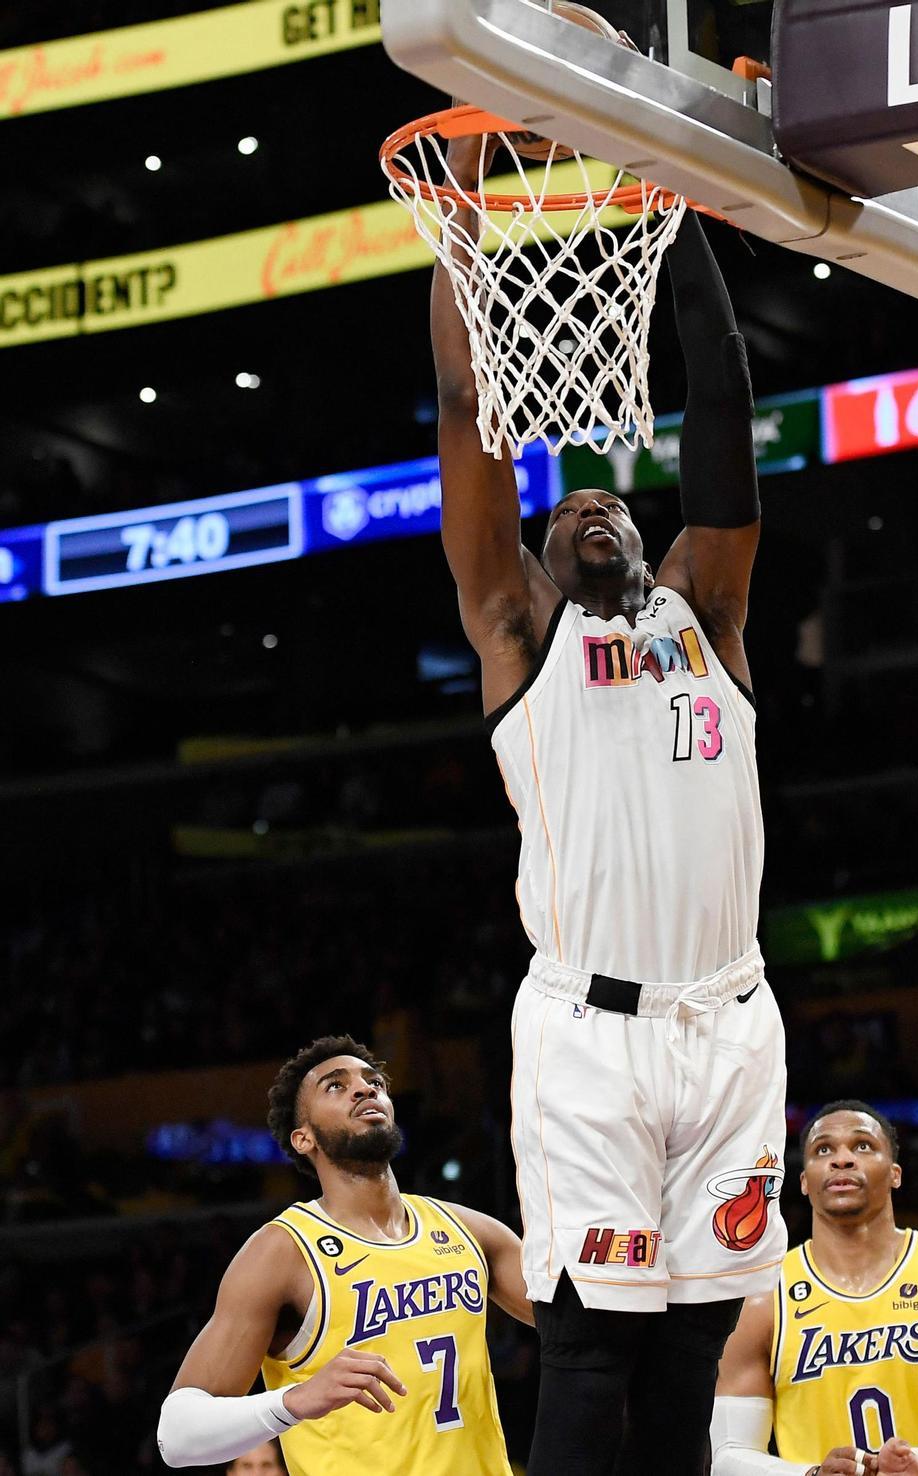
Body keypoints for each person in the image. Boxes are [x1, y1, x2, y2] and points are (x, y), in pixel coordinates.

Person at [432, 118, 785, 1476]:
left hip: (732, 1016)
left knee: (712, 1333)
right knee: (588, 1340)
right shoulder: (519, 640)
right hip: (587, 1030)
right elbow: (470, 416)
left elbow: (718, 413)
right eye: (564, 507)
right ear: (528, 560)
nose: (591, 512)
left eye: (611, 505)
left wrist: (682, 204)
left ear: (654, 537)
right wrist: (462, 228)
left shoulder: (710, 610)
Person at [157, 1034, 532, 1474]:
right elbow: (176, 1437)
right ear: (303, 1138)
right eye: (336, 1085)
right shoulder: (282, 1252)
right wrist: (293, 1401)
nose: (365, 1088)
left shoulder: (468, 1230)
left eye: (374, 1081)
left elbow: (584, 1320)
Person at [710, 1101, 918, 1476]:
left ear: (895, 1174)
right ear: (804, 1181)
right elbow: (730, 1455)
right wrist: (813, 1475)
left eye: (863, 1146)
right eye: (824, 1150)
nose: (842, 1160)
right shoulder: (760, 1297)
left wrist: (911, 1466)